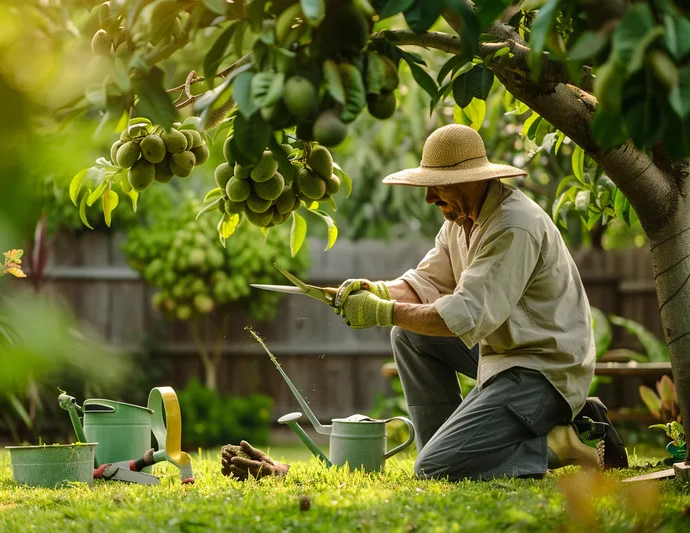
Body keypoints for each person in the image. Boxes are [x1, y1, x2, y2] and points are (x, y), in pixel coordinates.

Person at [221, 124, 627, 482]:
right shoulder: (461, 221)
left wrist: (380, 311)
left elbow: (465, 315)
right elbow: (422, 285)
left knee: (434, 467)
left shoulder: (512, 226)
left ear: (471, 179)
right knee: (409, 337)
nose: (430, 197)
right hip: (507, 357)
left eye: (437, 185)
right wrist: (373, 290)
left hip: (545, 370)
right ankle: (449, 449)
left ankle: (567, 441)